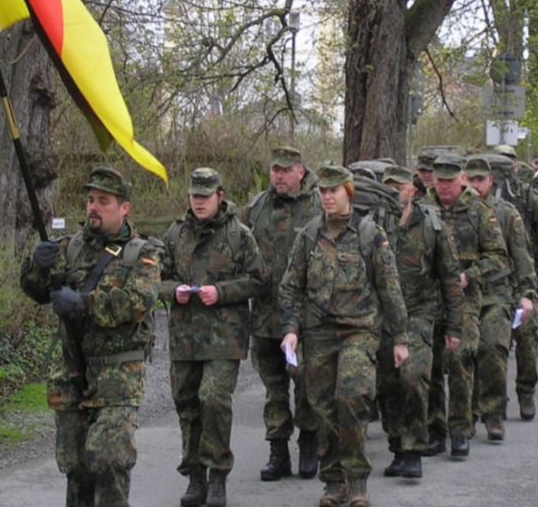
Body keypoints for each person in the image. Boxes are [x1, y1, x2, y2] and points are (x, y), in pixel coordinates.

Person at [19, 166, 162, 507]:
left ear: (124, 208)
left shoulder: (142, 253)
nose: (94, 207)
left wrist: (83, 304)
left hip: (118, 377)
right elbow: (38, 290)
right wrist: (37, 265)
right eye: (91, 200)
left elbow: (137, 302)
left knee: (109, 462)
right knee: (76, 466)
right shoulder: (71, 248)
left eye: (104, 201)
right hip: (72, 374)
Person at [279, 164, 409, 507]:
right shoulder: (309, 235)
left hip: (359, 331)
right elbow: (290, 288)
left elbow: (390, 287)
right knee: (322, 408)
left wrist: (400, 337)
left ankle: (357, 481)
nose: (327, 197)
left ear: (348, 192)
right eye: (322, 191)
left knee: (351, 398)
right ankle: (334, 481)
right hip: (318, 334)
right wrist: (290, 331)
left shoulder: (369, 234)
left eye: (333, 191)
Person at [160, 168, 266, 507]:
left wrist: (221, 291)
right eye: (195, 196)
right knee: (187, 403)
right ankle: (195, 477)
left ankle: (217, 474)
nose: (199, 202)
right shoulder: (175, 234)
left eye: (206, 196)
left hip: (224, 336)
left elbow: (258, 280)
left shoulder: (239, 235)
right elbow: (155, 277)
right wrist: (172, 291)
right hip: (185, 337)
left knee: (214, 399)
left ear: (220, 196)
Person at [377, 165, 464, 479]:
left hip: (420, 313)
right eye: (388, 188)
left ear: (411, 191)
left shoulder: (431, 224)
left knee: (413, 377)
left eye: (398, 188)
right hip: (384, 316)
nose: (393, 194)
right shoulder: (375, 225)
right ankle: (397, 446)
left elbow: (450, 278)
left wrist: (454, 326)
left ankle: (414, 449)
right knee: (387, 383)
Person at [242, 146, 323, 481]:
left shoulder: (318, 205)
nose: (279, 176)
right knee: (273, 387)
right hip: (266, 314)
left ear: (300, 171)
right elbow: (241, 249)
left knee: (306, 381)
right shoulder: (257, 206)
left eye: (286, 170)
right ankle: (278, 451)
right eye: (275, 169)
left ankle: (309, 441)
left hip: (306, 316)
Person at [426, 154, 508, 458]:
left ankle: (460, 428)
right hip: (428, 297)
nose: (445, 187)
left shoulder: (479, 211)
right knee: (431, 363)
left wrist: (469, 275)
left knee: (460, 357)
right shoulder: (423, 209)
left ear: (461, 179)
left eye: (450, 181)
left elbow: (498, 256)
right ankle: (435, 428)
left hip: (465, 298)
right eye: (440, 181)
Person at [465, 155, 538, 438]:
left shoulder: (507, 214)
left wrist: (526, 294)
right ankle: (465, 415)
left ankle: (494, 412)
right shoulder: (454, 213)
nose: (474, 185)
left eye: (479, 179)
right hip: (463, 295)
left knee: (493, 348)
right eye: (470, 179)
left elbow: (521, 257)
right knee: (464, 355)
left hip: (497, 292)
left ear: (490, 181)